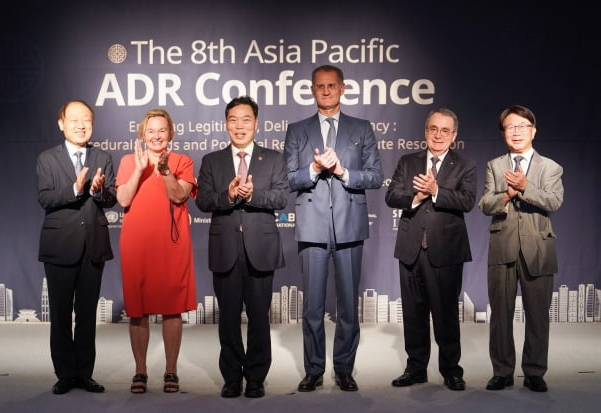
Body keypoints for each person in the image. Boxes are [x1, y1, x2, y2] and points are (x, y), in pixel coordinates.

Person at [283, 65, 383, 392]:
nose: (325, 91)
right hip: (312, 227)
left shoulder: (362, 128)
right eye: (319, 86)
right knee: (312, 306)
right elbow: (287, 178)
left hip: (350, 227)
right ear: (312, 90)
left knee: (347, 306)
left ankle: (344, 369)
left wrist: (343, 171)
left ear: (342, 88)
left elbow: (375, 176)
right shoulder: (297, 130)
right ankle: (313, 369)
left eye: (331, 86)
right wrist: (312, 168)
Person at [195, 96, 288, 399]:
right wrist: (228, 194)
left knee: (260, 317)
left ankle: (257, 377)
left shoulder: (273, 159)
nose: (239, 126)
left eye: (246, 119)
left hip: (260, 250)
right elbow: (203, 201)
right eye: (233, 119)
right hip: (226, 252)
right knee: (229, 319)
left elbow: (281, 199)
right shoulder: (212, 160)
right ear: (226, 124)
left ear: (256, 123)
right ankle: (232, 377)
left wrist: (252, 195)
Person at [385, 108, 476, 391]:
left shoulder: (465, 165)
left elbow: (467, 201)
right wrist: (417, 196)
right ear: (425, 131)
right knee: (413, 313)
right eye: (433, 129)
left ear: (454, 135)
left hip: (446, 251)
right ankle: (416, 369)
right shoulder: (408, 161)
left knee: (445, 313)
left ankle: (451, 370)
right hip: (410, 248)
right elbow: (391, 196)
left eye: (445, 130)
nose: (438, 135)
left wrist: (436, 190)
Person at [479, 105, 563, 393]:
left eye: (522, 126)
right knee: (500, 315)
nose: (516, 132)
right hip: (502, 247)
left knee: (538, 315)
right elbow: (485, 205)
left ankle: (535, 372)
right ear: (503, 133)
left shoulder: (550, 167)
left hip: (538, 248)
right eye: (510, 127)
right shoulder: (494, 165)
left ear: (533, 131)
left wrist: (526, 187)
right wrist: (508, 193)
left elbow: (554, 202)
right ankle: (502, 371)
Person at [36, 100, 117, 395]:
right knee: (59, 314)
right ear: (61, 124)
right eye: (74, 120)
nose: (81, 125)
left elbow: (111, 200)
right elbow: (45, 198)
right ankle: (64, 374)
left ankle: (84, 373)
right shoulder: (47, 159)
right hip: (59, 246)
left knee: (86, 315)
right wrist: (75, 189)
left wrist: (97, 192)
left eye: (86, 120)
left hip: (93, 246)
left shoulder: (103, 156)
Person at [116, 108, 198, 394]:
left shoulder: (182, 161)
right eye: (150, 131)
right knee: (137, 311)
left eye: (162, 130)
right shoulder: (129, 161)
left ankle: (171, 372)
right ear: (142, 134)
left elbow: (179, 195)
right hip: (136, 244)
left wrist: (164, 172)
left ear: (171, 133)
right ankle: (140, 371)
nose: (156, 135)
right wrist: (139, 170)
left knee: (172, 309)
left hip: (172, 245)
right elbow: (123, 198)